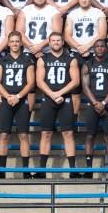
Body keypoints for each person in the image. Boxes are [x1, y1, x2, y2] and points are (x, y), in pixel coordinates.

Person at [36, 32, 80, 178]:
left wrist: (60, 93)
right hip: (49, 99)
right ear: (49, 43)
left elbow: (75, 81)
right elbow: (39, 81)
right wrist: (53, 94)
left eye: (58, 40)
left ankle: (73, 170)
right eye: (53, 40)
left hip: (64, 99)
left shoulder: (71, 59)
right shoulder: (43, 59)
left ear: (62, 43)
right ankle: (42, 171)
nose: (55, 42)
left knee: (68, 133)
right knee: (46, 133)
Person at [0, 32, 36, 178]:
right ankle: (1, 170)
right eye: (12, 41)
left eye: (17, 41)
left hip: (21, 100)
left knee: (24, 135)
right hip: (6, 100)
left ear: (21, 43)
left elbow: (31, 82)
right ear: (8, 43)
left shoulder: (27, 60)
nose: (14, 44)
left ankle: (25, 170)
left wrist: (18, 96)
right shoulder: (2, 61)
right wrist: (7, 96)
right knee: (4, 135)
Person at [81, 39, 108, 177]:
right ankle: (89, 170)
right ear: (94, 49)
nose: (99, 48)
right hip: (92, 104)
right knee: (90, 136)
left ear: (106, 48)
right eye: (97, 46)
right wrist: (96, 103)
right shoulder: (87, 64)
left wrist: (103, 103)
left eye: (102, 46)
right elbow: (85, 86)